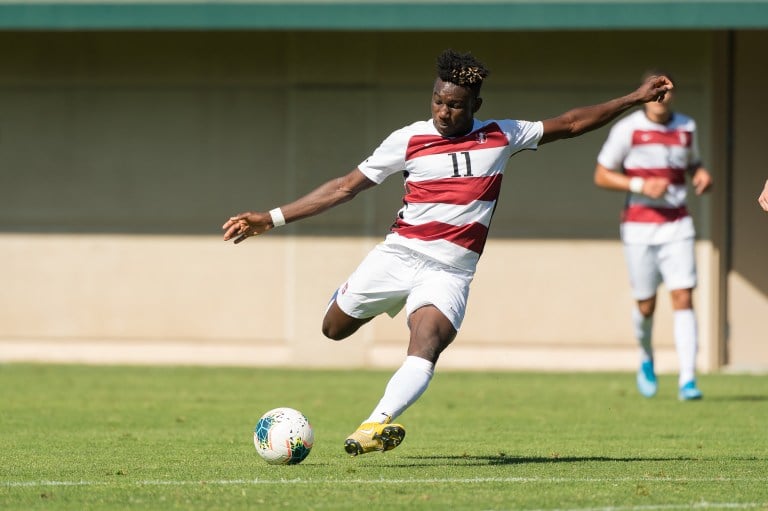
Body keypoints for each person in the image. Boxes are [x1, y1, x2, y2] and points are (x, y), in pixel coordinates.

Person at [223, 50, 673, 455]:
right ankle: (365, 300)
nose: (443, 110)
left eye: (455, 104)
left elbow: (572, 123)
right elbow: (345, 187)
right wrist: (272, 217)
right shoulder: (409, 139)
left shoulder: (502, 136)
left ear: (475, 105)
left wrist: (635, 98)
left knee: (428, 342)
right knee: (333, 329)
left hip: (449, 272)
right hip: (397, 256)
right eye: (438, 99)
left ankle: (374, 424)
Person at [593, 70, 712, 401]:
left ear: (673, 93)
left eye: (667, 89)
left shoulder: (687, 127)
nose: (662, 96)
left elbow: (693, 163)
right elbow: (601, 174)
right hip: (639, 227)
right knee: (646, 305)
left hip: (678, 225)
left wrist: (700, 173)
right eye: (655, 89)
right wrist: (640, 185)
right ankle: (646, 356)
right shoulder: (627, 128)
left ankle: (688, 379)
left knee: (683, 296)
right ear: (645, 92)